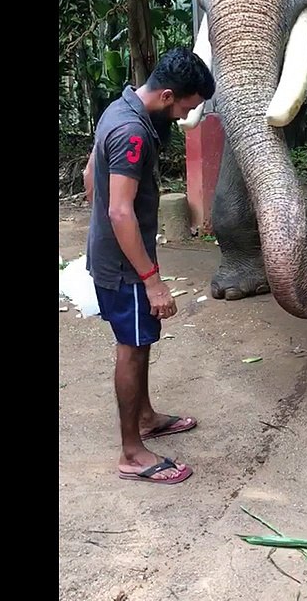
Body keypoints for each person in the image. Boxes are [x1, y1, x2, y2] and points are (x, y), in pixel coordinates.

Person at [83, 47, 215, 484]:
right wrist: (152, 281)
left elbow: (90, 177)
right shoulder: (133, 134)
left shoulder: (118, 109)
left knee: (138, 339)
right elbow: (120, 213)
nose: (182, 117)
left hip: (115, 255)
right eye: (185, 108)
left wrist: (103, 229)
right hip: (125, 266)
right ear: (168, 95)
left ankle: (145, 418)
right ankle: (132, 453)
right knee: (133, 347)